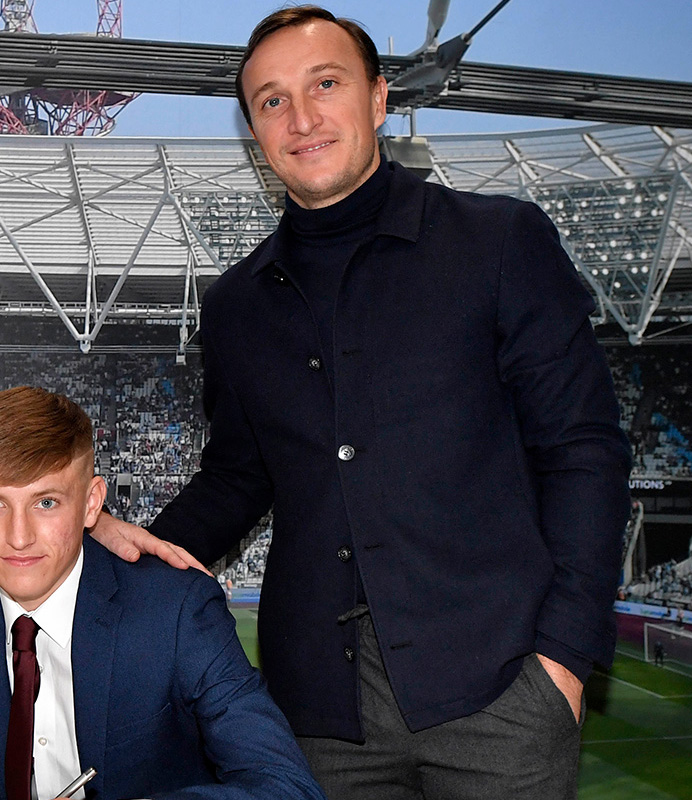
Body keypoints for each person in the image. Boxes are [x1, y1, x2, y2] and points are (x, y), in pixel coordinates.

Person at [90, 6, 632, 798]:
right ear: (255, 132)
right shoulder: (237, 304)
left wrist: (564, 661)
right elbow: (240, 477)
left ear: (379, 98)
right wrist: (117, 547)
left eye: (326, 84)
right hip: (317, 712)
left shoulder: (499, 242)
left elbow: (583, 450)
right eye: (272, 101)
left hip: (502, 692)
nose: (302, 117)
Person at [0, 386, 326, 800]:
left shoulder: (175, 607)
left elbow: (283, 784)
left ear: (92, 503)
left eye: (46, 502)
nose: (20, 535)